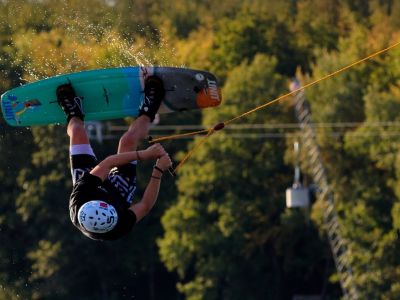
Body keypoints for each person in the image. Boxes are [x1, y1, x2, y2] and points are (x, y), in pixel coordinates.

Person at [56, 76, 172, 241]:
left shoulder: (80, 197)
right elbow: (144, 205)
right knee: (127, 141)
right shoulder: (119, 226)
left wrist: (144, 154)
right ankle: (149, 110)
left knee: (77, 132)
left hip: (89, 187)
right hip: (119, 194)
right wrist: (158, 170)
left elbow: (108, 163)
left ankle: (73, 112)